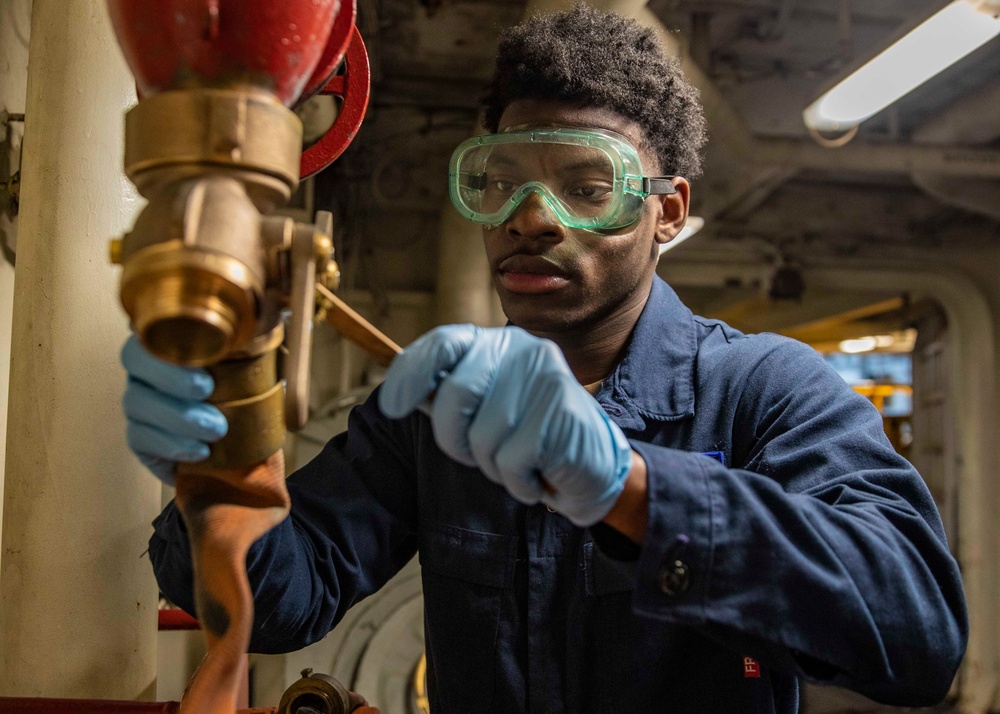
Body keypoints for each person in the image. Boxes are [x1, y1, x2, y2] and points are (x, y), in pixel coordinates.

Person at [123, 5, 968, 712]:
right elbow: (278, 603)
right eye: (500, 182)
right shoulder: (435, 412)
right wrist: (224, 462)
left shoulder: (765, 389)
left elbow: (918, 632)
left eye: (585, 186)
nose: (530, 217)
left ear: (666, 211)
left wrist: (631, 490)